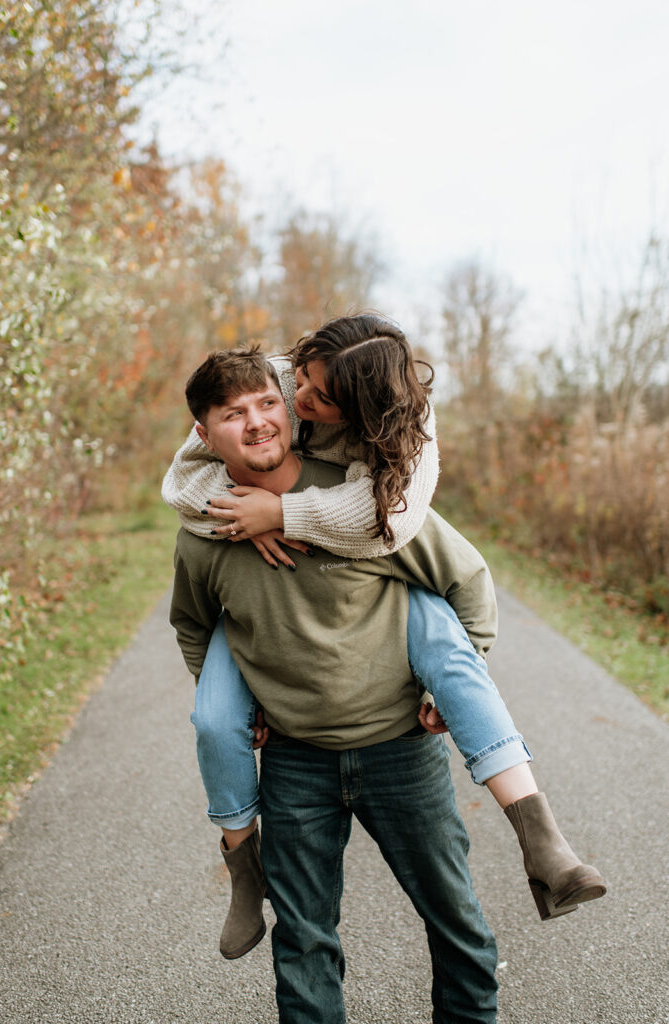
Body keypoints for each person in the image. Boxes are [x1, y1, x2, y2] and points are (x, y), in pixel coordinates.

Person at [162, 317, 606, 959]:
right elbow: (191, 481)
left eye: (311, 400)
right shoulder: (283, 387)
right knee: (212, 717)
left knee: (445, 640)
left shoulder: (390, 465)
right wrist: (234, 507)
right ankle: (242, 863)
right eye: (301, 385)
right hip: (296, 742)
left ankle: (541, 837)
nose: (293, 404)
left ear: (358, 417)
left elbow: (404, 529)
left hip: (392, 678)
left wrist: (284, 512)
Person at [169, 346, 501, 1022]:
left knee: (457, 926)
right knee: (303, 944)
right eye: (233, 415)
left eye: (267, 404)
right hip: (294, 766)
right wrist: (235, 705)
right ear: (203, 437)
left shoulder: (359, 495)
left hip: (401, 751)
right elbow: (193, 627)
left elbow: (465, 579)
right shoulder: (207, 529)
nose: (258, 422)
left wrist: (455, 680)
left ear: (288, 406)